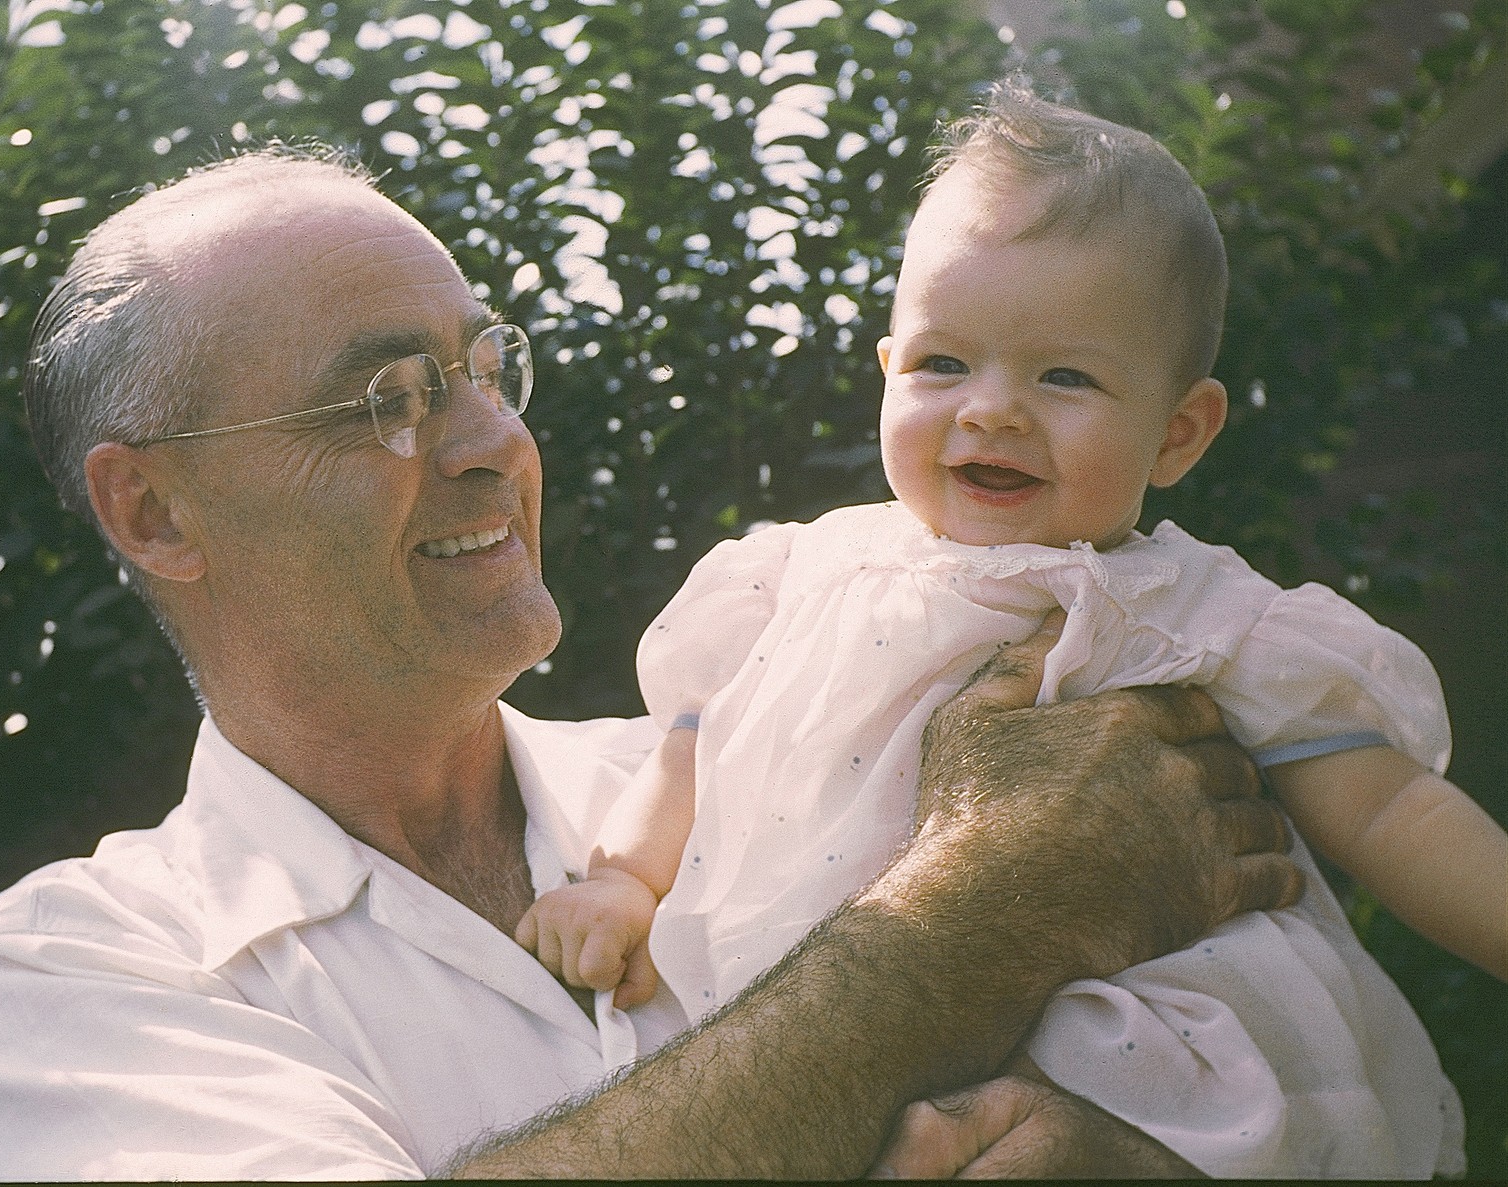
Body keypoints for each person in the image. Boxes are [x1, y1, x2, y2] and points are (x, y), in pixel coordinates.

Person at [0, 143, 1308, 1181]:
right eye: (386, 398)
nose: (488, 443)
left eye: (486, 368)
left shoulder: (775, 763)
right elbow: (991, 905)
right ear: (155, 509)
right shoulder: (40, 991)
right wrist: (967, 922)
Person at [517, 82, 1499, 1177]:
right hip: (812, 1001)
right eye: (943, 362)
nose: (990, 407)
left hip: (1106, 1028)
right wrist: (621, 878)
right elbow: (694, 743)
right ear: (886, 371)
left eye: (1063, 375)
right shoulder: (792, 574)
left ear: (1176, 431)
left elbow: (1390, 808)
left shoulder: (1179, 608)